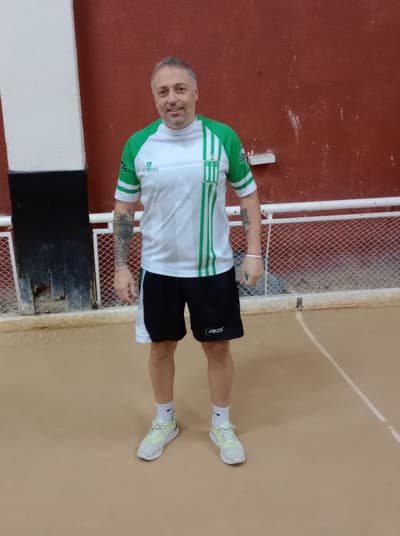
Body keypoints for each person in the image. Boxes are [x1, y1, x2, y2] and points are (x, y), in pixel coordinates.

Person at [113, 57, 263, 465]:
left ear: (195, 92)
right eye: (163, 92)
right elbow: (124, 209)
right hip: (159, 270)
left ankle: (222, 423)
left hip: (212, 269)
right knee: (161, 348)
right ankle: (165, 420)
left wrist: (253, 253)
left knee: (216, 347)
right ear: (154, 98)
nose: (172, 99)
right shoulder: (138, 145)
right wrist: (121, 265)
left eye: (180, 89)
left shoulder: (222, 138)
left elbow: (248, 196)